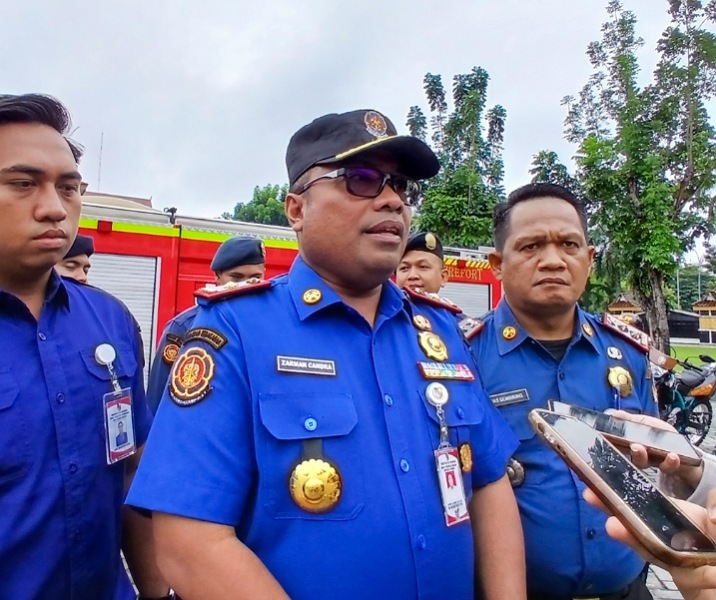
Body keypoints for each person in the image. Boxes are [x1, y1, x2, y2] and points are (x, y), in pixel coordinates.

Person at [127, 109, 525, 599]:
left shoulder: (441, 331)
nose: (392, 201)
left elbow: (487, 481)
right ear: (296, 210)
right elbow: (189, 543)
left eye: (401, 186)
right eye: (361, 179)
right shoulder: (233, 331)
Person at [0, 93, 169, 599]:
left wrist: (156, 592)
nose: (55, 208)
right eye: (23, 183)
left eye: (68, 187)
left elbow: (131, 469)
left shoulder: (110, 321)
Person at [468, 182, 657, 600]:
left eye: (569, 245)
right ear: (498, 264)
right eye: (531, 246)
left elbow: (654, 469)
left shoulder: (627, 354)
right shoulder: (464, 358)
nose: (553, 260)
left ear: (589, 259)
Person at [145, 236, 266, 413]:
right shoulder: (183, 327)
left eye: (255, 277)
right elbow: (157, 401)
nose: (245, 285)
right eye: (236, 277)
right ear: (217, 277)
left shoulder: (268, 326)